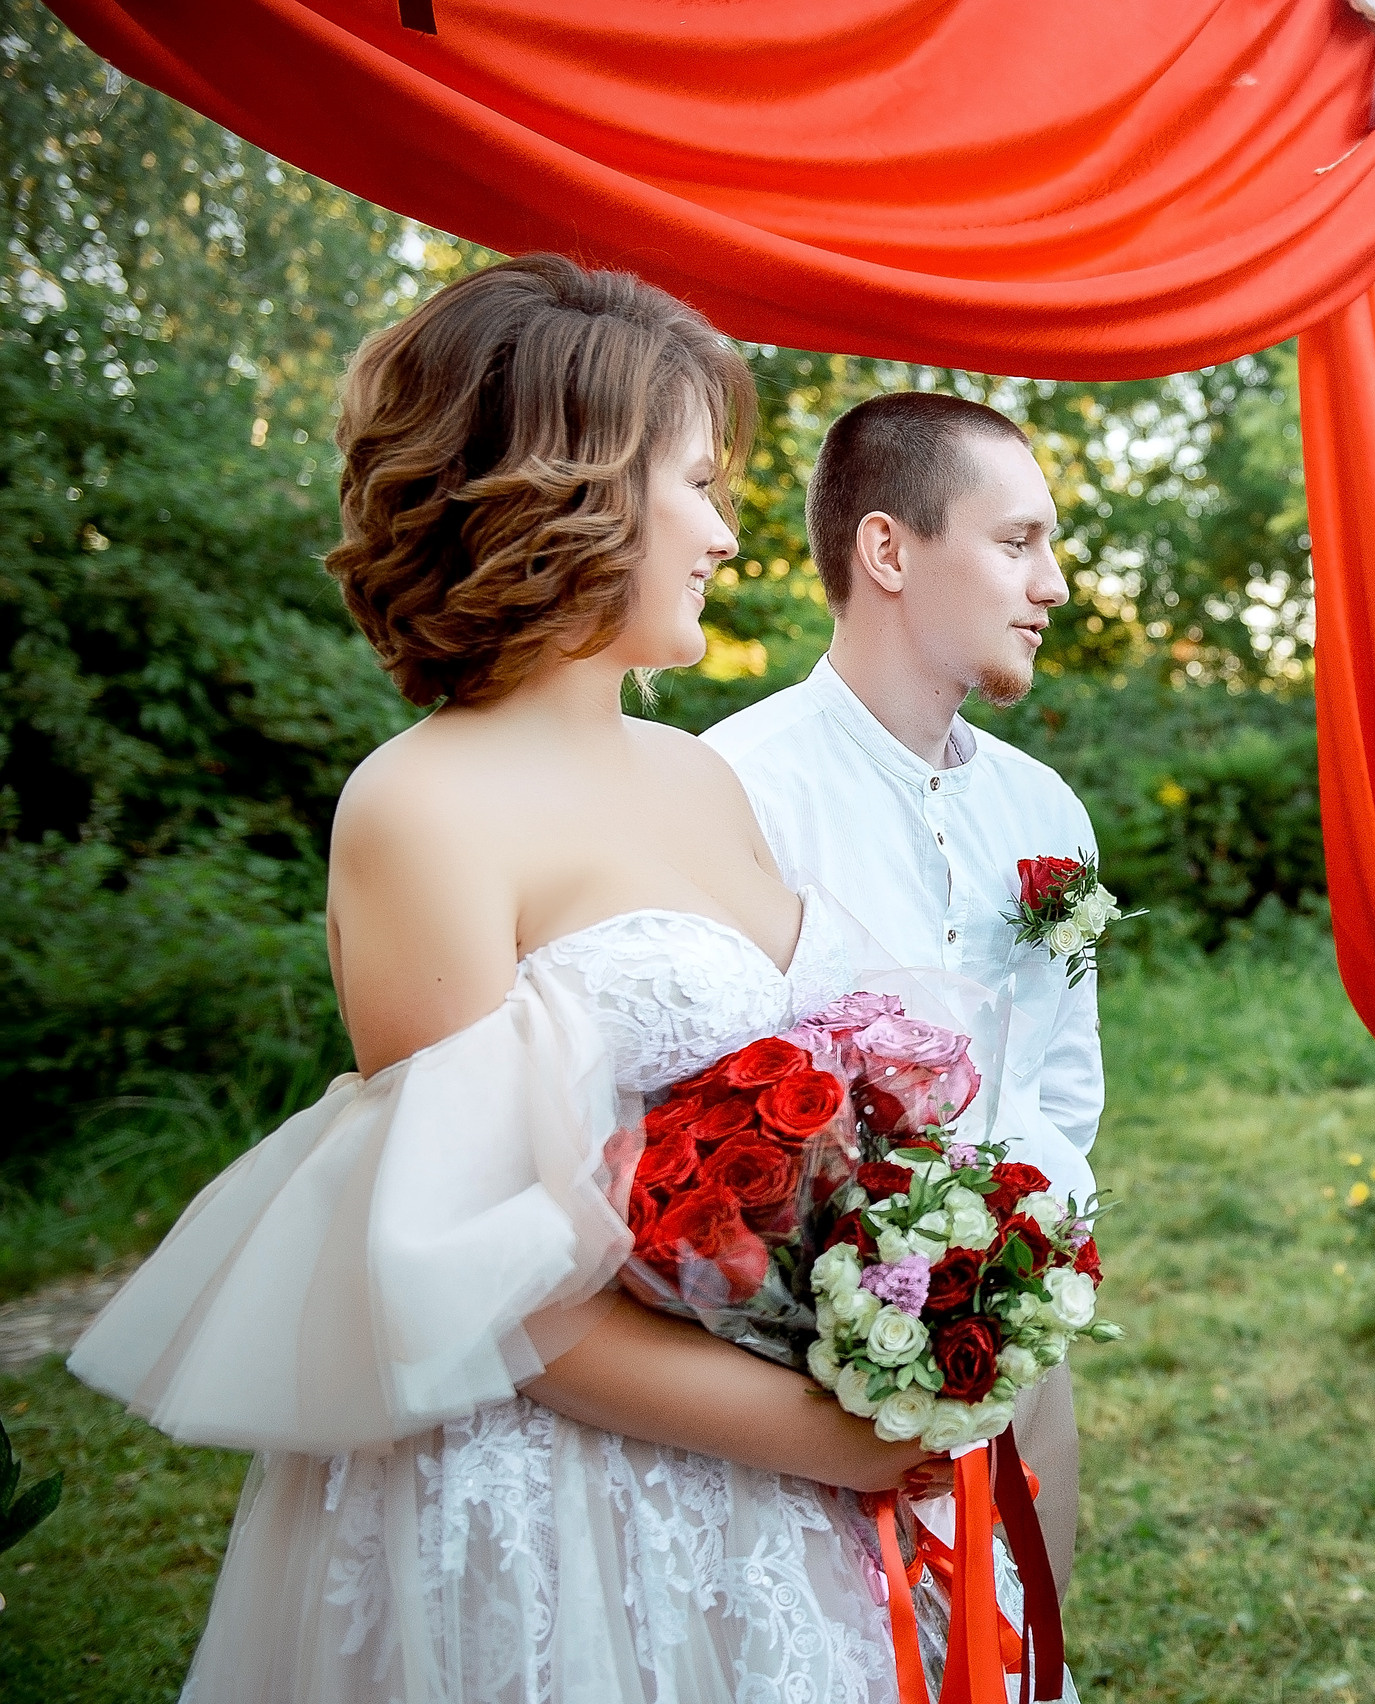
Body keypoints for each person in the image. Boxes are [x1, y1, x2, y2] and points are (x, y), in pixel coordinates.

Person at [69, 255, 991, 1703]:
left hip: (785, 1459)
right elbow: (487, 1284)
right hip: (576, 1508)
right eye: (697, 483)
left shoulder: (700, 777)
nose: (728, 536)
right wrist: (822, 1433)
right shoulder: (419, 807)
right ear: (570, 490)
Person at [702, 392, 1098, 1589]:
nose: (1055, 585)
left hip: (1019, 1326)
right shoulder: (733, 789)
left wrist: (1033, 1272)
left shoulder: (1046, 810)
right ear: (888, 550)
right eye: (1017, 543)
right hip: (805, 1368)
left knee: (1028, 1632)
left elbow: (1063, 1072)